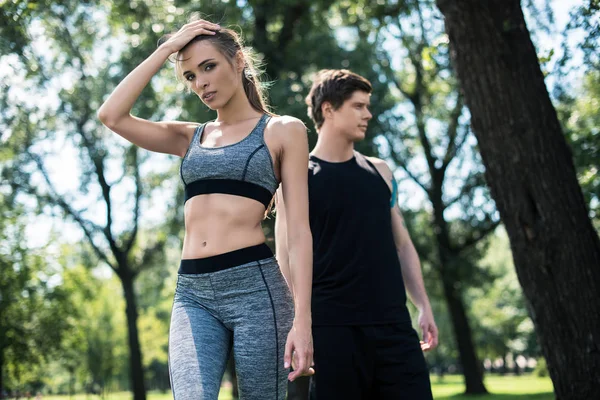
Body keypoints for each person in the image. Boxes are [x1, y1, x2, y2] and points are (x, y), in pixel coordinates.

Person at [98, 18, 313, 400]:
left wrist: (303, 319)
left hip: (257, 292)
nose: (201, 84)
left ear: (239, 61)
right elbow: (111, 115)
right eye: (190, 76)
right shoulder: (189, 137)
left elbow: (298, 232)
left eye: (208, 67)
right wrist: (166, 49)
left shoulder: (282, 130)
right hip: (192, 293)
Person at [276, 69, 438, 400]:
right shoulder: (297, 178)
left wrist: (422, 304)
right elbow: (285, 256)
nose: (368, 114)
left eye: (368, 106)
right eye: (358, 106)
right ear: (328, 109)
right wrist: (299, 326)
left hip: (393, 328)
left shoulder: (381, 171)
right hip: (332, 332)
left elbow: (403, 244)